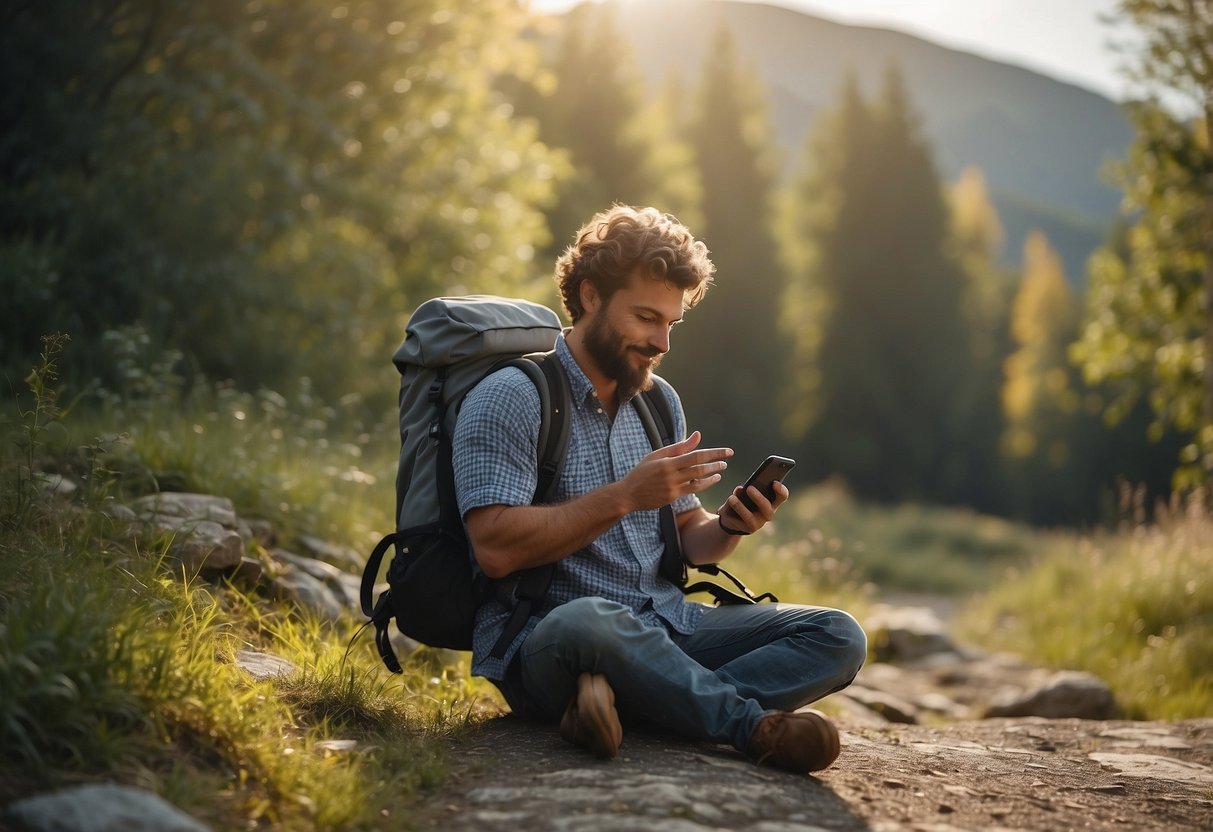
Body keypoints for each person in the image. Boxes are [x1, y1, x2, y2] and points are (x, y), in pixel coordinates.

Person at [453, 205, 866, 773]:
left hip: (670, 625)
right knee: (590, 619)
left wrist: (727, 528)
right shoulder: (514, 396)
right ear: (592, 296)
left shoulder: (656, 401)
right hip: (554, 639)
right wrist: (624, 495)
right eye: (647, 318)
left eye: (671, 323)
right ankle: (751, 727)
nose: (661, 341)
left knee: (838, 635)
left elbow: (685, 536)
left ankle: (629, 706)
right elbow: (494, 549)